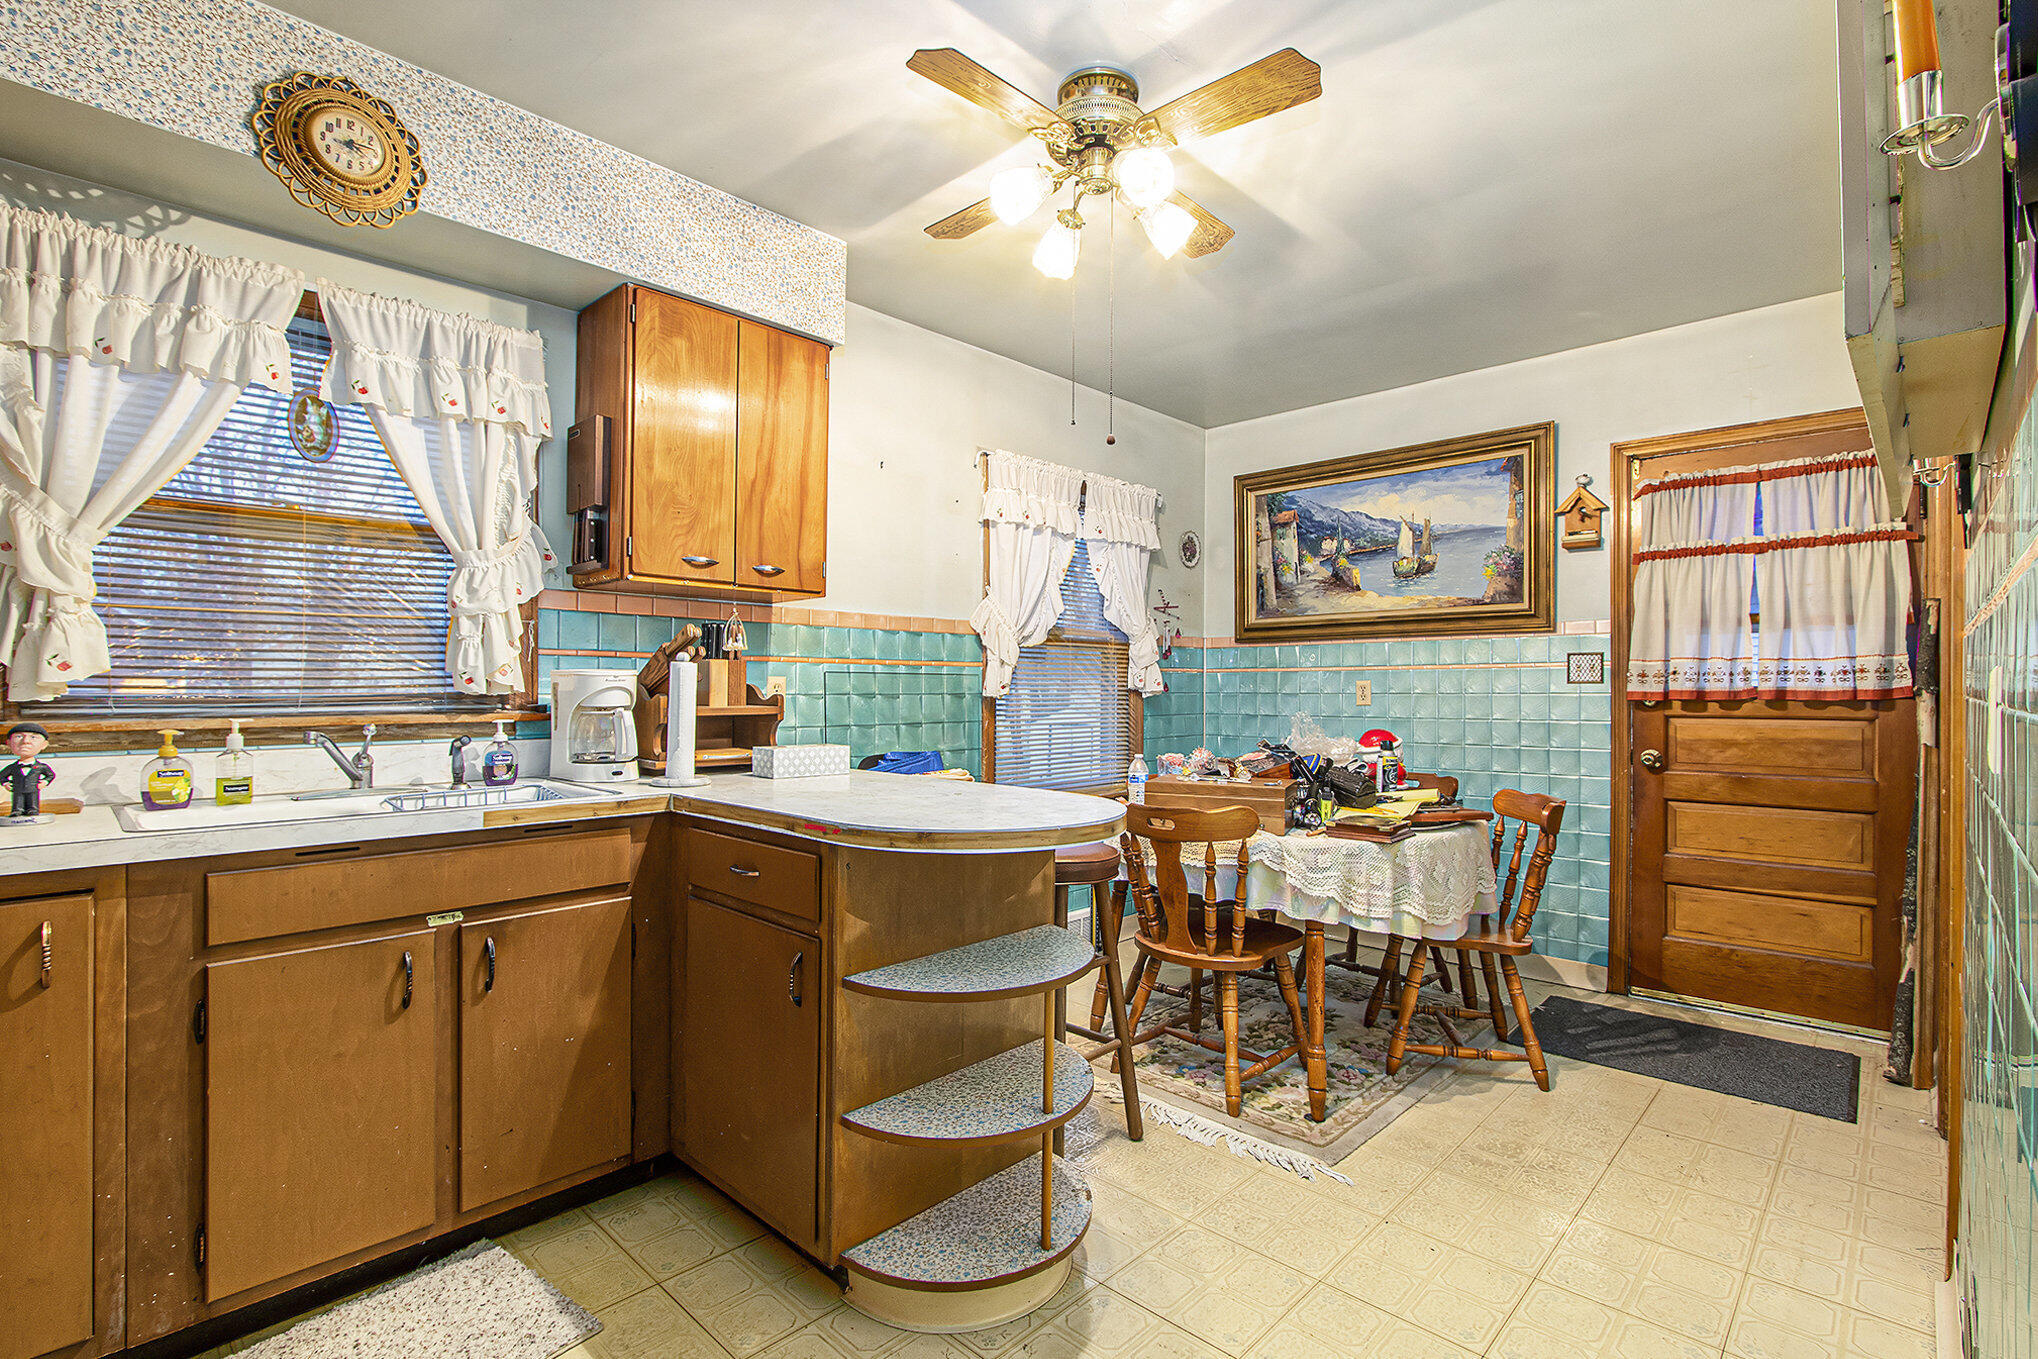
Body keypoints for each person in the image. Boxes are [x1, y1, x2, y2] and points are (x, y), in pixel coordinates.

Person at [2, 721, 56, 819]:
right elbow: (1, 776)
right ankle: (17, 810)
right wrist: (5, 783)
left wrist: (45, 782)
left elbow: (51, 775)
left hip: (33, 789)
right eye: (18, 737)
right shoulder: (12, 767)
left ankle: (33, 810)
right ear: (9, 743)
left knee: (33, 800)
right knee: (18, 800)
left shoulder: (41, 767)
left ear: (44, 744)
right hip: (17, 789)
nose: (25, 741)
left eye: (33, 737)